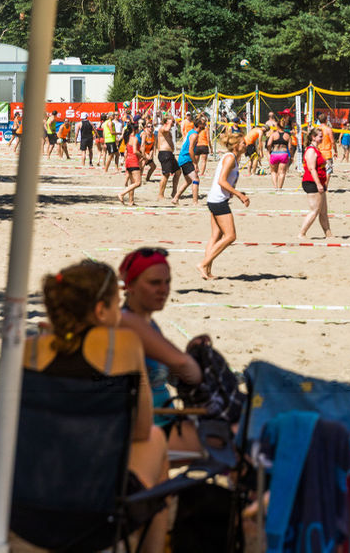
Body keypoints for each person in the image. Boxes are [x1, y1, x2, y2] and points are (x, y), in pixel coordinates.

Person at [25, 260, 170, 552]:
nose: (121, 311)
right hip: (97, 498)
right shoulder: (125, 345)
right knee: (155, 438)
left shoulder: (29, 350)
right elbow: (141, 429)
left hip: (29, 494)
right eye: (118, 304)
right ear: (101, 311)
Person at [118, 248, 208, 451]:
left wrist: (191, 353)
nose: (163, 290)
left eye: (167, 282)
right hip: (147, 431)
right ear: (130, 285)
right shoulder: (130, 323)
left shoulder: (147, 323)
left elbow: (173, 373)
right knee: (238, 437)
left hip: (162, 420)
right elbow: (184, 367)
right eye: (154, 283)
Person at [198, 131, 250, 280]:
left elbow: (224, 181)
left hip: (216, 199)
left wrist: (232, 191)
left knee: (216, 235)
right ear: (235, 146)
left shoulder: (233, 157)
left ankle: (207, 271)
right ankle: (203, 264)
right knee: (231, 236)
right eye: (242, 143)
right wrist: (239, 194)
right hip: (218, 201)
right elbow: (222, 181)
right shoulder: (230, 158)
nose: (245, 145)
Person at [299, 127, 334, 239]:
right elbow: (311, 168)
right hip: (312, 182)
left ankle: (328, 234)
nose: (322, 138)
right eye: (320, 136)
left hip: (320, 182)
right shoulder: (310, 151)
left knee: (323, 211)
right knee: (314, 211)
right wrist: (318, 184)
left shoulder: (317, 149)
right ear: (313, 137)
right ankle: (302, 233)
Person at [171, 118, 202, 205]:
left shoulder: (192, 132)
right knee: (196, 179)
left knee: (188, 181)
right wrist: (195, 163)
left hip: (184, 158)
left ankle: (175, 198)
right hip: (185, 159)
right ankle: (195, 202)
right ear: (199, 125)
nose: (205, 125)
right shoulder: (194, 135)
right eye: (203, 123)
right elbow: (191, 150)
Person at [156, 117, 181, 201]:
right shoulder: (162, 128)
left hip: (169, 154)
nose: (174, 122)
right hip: (164, 153)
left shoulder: (168, 131)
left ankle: (174, 192)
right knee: (166, 175)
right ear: (167, 121)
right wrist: (169, 122)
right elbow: (166, 129)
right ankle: (160, 194)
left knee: (178, 171)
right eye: (172, 121)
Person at [118, 123, 144, 206]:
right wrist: (143, 155)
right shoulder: (134, 138)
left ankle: (131, 201)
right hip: (133, 161)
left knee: (132, 182)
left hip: (128, 161)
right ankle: (121, 194)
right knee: (138, 183)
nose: (139, 130)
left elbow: (127, 150)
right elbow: (135, 151)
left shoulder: (127, 137)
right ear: (134, 130)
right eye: (138, 128)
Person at [265, 120, 292, 189]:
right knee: (282, 172)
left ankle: (275, 187)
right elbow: (290, 147)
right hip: (283, 153)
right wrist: (290, 155)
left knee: (273, 171)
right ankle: (280, 188)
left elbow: (268, 144)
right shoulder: (287, 135)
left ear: (277, 126)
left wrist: (269, 150)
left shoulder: (273, 135)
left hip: (274, 153)